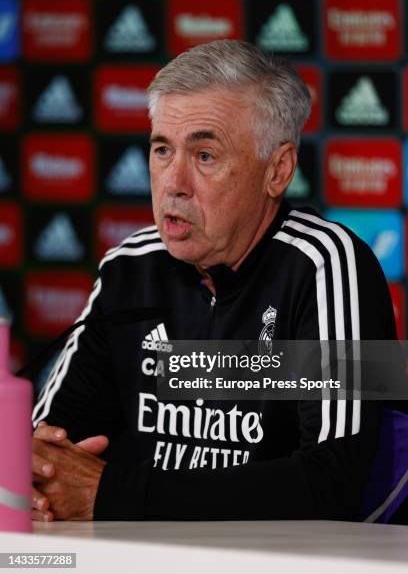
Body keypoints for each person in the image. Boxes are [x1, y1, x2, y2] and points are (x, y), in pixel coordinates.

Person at [31, 39, 397, 522]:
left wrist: (116, 493)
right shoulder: (130, 266)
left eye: (205, 155)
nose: (173, 182)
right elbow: (49, 444)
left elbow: (333, 482)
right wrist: (43, 474)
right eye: (162, 149)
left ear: (278, 170)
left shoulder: (329, 264)